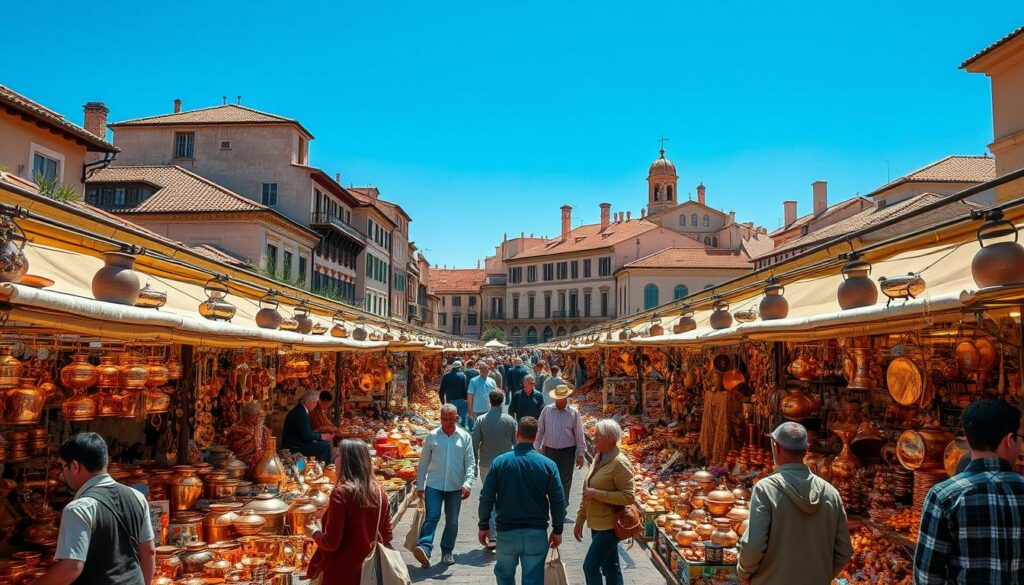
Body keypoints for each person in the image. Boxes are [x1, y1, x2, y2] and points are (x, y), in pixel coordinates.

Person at [914, 399, 1024, 584]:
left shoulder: (943, 496)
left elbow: (927, 577)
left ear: (967, 439)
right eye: (1020, 438)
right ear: (1009, 440)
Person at [738, 422, 851, 584]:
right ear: (806, 450)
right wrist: (821, 575)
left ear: (775, 448)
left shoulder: (765, 489)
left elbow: (753, 547)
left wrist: (744, 573)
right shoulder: (831, 493)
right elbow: (844, 551)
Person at [34, 432, 155, 585]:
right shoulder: (137, 496)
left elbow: (71, 568)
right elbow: (149, 552)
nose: (62, 473)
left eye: (63, 466)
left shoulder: (78, 508)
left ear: (75, 466)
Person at [478, 416, 564, 585]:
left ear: (517, 434)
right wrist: (557, 529)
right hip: (536, 533)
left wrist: (484, 525)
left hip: (506, 533)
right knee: (533, 579)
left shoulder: (500, 462)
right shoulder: (548, 465)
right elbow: (558, 500)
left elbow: (486, 497)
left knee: (504, 577)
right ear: (536, 435)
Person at [306, 439, 393, 585]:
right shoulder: (379, 491)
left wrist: (313, 532)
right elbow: (387, 535)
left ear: (348, 461)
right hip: (369, 573)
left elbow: (331, 543)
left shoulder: (341, 493)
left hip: (341, 573)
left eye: (339, 455)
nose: (335, 459)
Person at [413, 404, 476, 568]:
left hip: (455, 486)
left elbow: (470, 463)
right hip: (434, 484)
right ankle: (425, 548)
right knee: (432, 516)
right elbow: (423, 462)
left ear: (456, 418)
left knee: (452, 521)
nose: (447, 423)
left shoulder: (464, 437)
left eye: (451, 419)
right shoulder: (432, 436)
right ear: (440, 419)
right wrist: (420, 485)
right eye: (444, 419)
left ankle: (447, 551)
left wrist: (468, 483)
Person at [574, 419, 635, 585]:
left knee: (590, 566)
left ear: (609, 438)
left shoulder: (619, 462)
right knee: (611, 567)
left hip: (610, 525)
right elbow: (587, 491)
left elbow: (629, 496)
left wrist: (598, 494)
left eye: (597, 436)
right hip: (597, 524)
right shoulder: (598, 458)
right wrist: (580, 520)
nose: (594, 439)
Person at [472, 389, 517, 548]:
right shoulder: (510, 420)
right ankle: (504, 531)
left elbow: (474, 444)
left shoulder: (481, 420)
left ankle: (493, 535)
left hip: (486, 464)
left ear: (489, 402)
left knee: (489, 497)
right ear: (503, 401)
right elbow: (517, 444)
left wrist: (474, 466)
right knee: (504, 496)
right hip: (506, 464)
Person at [534, 385, 586, 512]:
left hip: (568, 452)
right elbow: (540, 430)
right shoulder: (546, 410)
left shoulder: (574, 413)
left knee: (565, 481)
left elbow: (579, 434)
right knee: (549, 479)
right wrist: (537, 448)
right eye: (558, 399)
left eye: (562, 398)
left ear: (567, 398)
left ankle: (562, 506)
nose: (560, 401)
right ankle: (552, 504)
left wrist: (581, 454)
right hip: (549, 451)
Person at [281, 391, 334, 463]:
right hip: (294, 446)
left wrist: (320, 437)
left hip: (297, 442)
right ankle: (322, 467)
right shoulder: (301, 413)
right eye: (315, 403)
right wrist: (322, 436)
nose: (315, 405)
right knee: (325, 446)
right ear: (309, 402)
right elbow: (307, 436)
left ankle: (326, 467)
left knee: (324, 443)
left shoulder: (301, 410)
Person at [226, 401, 270, 480]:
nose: (256, 419)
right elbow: (235, 450)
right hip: (242, 468)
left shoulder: (262, 429)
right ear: (246, 416)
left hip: (260, 468)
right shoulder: (237, 430)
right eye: (253, 416)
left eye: (258, 416)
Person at [467, 362, 498, 431]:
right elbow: (470, 395)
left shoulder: (492, 381)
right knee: (479, 428)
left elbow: (496, 395)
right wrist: (469, 409)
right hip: (478, 410)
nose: (485, 371)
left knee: (490, 428)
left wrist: (497, 407)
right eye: (482, 369)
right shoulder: (473, 381)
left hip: (490, 409)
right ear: (479, 370)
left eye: (486, 369)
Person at [439, 360, 470, 428]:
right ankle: (462, 431)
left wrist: (443, 403)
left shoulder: (446, 376)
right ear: (460, 367)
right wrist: (466, 400)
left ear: (452, 367)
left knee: (452, 419)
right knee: (463, 419)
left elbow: (441, 391)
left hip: (451, 401)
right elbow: (465, 390)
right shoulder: (463, 376)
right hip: (462, 401)